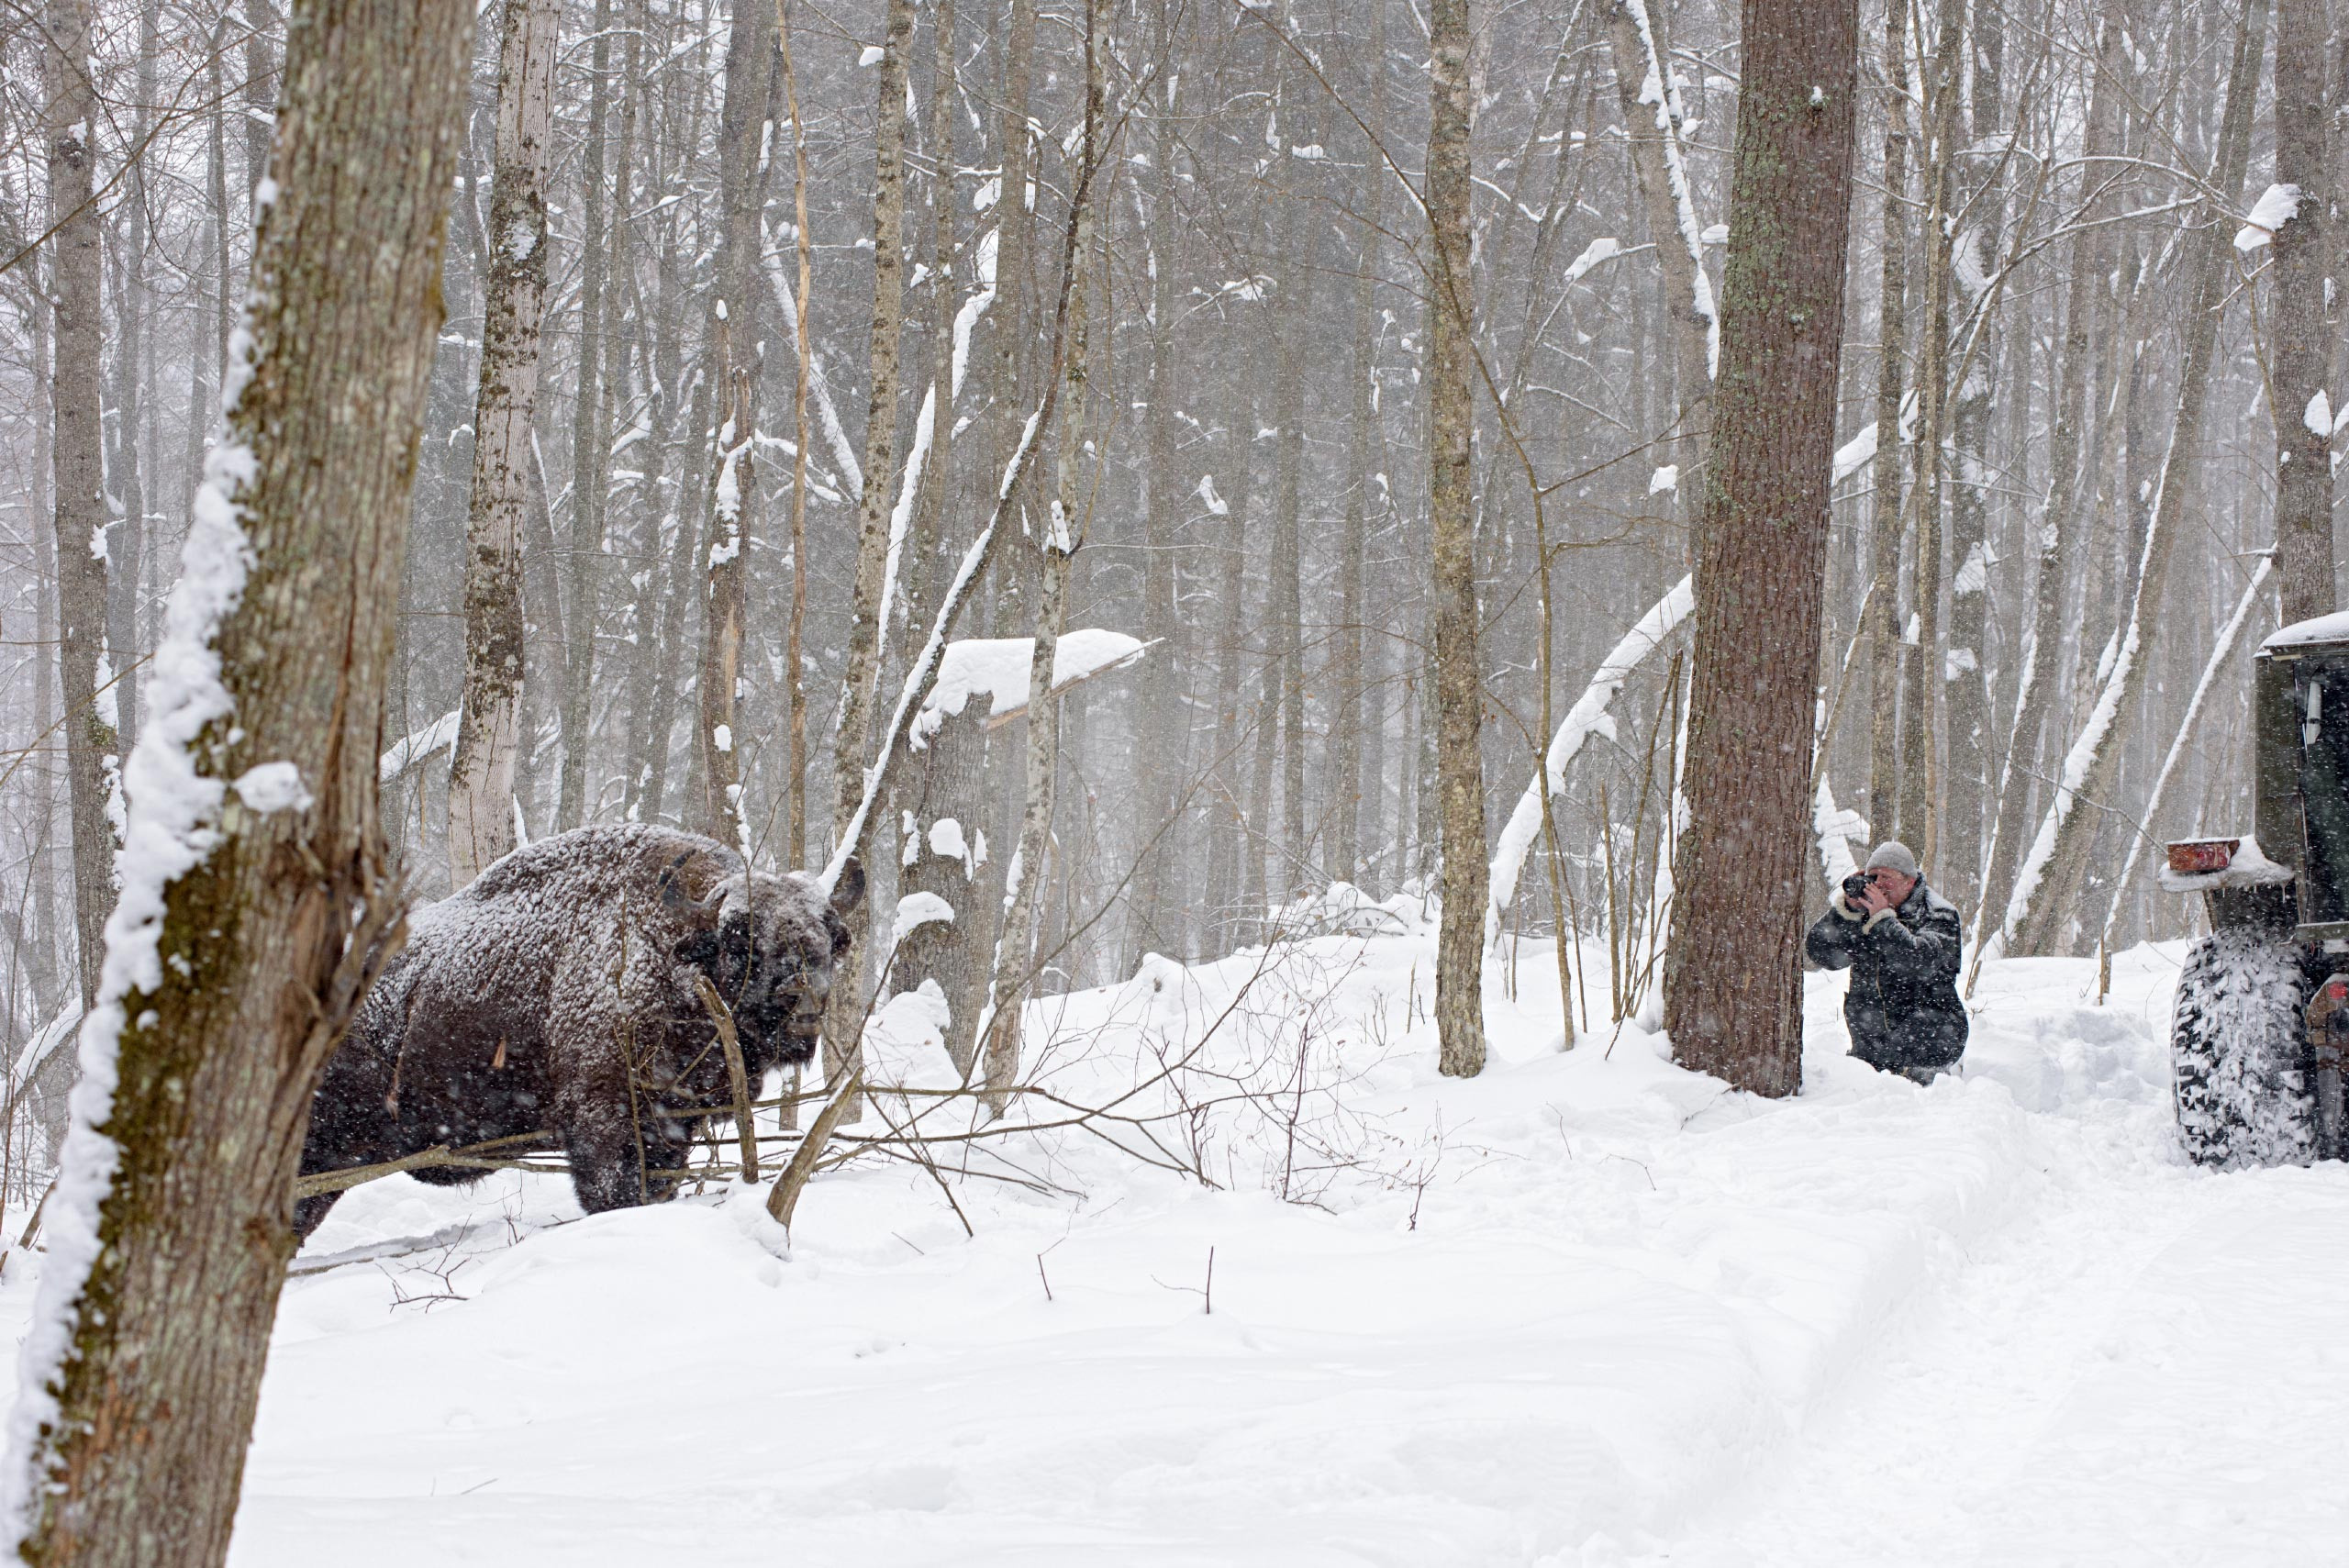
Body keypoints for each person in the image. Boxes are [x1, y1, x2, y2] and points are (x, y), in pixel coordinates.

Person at [1804, 840, 1967, 1083]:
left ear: (1908, 881)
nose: (1878, 885)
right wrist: (1847, 911)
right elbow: (1822, 953)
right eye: (1872, 877)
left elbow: (1918, 963)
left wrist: (1883, 920)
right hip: (1871, 1046)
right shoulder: (1865, 913)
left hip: (1928, 1045)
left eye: (1886, 878)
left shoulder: (1939, 915)